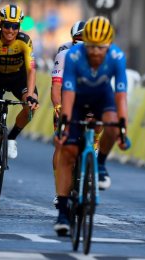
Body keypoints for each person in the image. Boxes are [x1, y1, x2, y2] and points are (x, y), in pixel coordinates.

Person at [53, 16, 130, 235]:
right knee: (67, 151)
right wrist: (64, 124)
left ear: (109, 45)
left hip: (102, 97)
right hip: (77, 98)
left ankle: (102, 163)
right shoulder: (74, 56)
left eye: (101, 47)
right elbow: (66, 93)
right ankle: (62, 211)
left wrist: (122, 128)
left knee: (113, 127)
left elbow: (121, 95)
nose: (96, 52)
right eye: (91, 46)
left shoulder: (117, 56)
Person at [0, 4, 39, 164]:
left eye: (15, 26)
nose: (11, 30)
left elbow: (31, 69)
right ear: (1, 25)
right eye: (7, 25)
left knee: (31, 107)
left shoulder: (24, 41)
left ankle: (12, 137)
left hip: (18, 78)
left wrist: (30, 95)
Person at [51, 20, 85, 207]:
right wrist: (58, 108)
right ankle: (60, 189)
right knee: (61, 146)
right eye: (78, 40)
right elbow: (56, 86)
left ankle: (91, 156)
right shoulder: (64, 54)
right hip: (67, 98)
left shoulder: (101, 55)